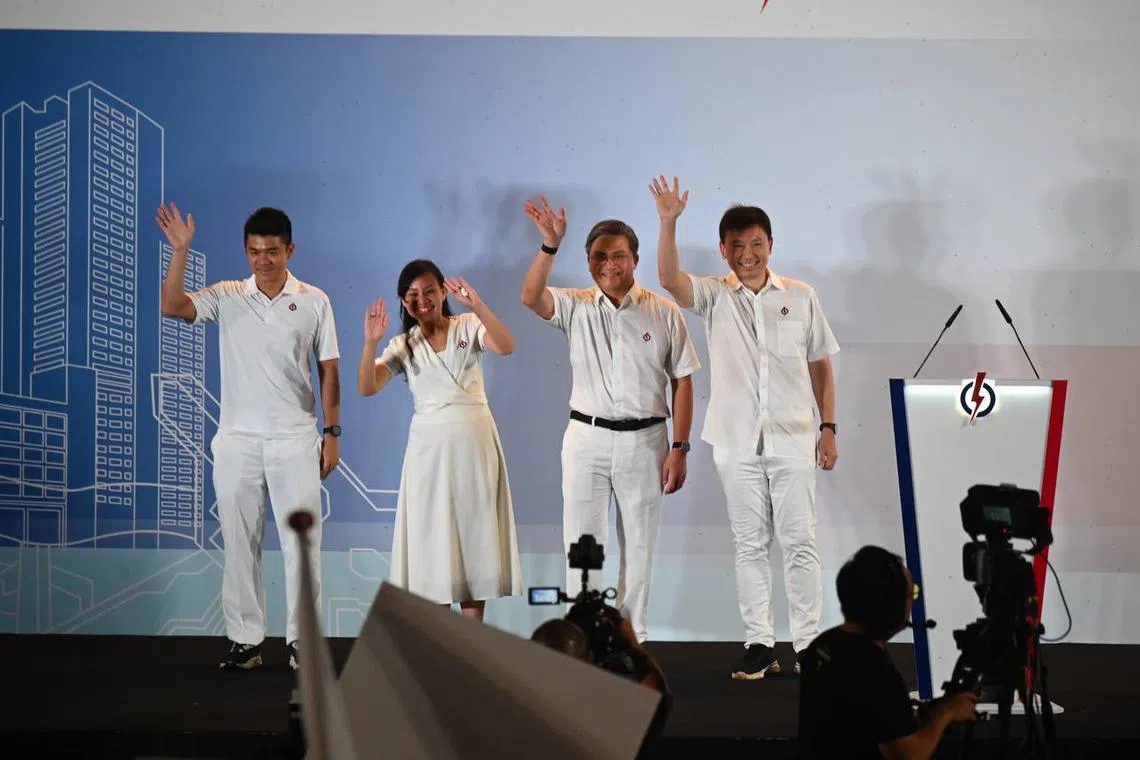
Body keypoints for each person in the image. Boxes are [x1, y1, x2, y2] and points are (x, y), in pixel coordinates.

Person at [651, 176, 839, 679]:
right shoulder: (714, 294)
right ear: (723, 249)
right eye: (738, 246)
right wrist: (668, 222)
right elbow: (670, 279)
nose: (748, 254)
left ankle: (810, 643)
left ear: (771, 245)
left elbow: (820, 364)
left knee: (801, 540)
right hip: (735, 440)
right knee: (749, 543)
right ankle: (760, 643)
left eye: (757, 244)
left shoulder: (799, 296)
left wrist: (829, 427)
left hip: (796, 435)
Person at [157, 203, 341, 672]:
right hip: (237, 440)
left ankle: (304, 643)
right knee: (239, 542)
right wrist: (180, 250)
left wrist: (332, 434)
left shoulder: (315, 300)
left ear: (290, 250)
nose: (263, 260)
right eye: (255, 252)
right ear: (247, 251)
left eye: (272, 252)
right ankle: (245, 641)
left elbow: (329, 371)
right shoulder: (227, 295)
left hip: (295, 439)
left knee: (303, 543)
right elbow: (173, 305)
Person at [519, 196, 702, 644]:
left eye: (618, 255)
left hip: (646, 441)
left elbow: (682, 383)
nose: (609, 264)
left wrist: (679, 449)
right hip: (587, 438)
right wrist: (549, 246)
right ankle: (581, 635)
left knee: (640, 544)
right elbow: (530, 297)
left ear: (635, 259)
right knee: (583, 545)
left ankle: (633, 635)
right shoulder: (576, 304)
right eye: (599, 257)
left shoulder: (663, 311)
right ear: (587, 262)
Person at [358, 260, 522, 620]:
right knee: (434, 542)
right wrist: (370, 343)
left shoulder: (468, 326)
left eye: (429, 291)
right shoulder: (405, 345)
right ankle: (442, 646)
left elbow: (506, 345)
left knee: (475, 536)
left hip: (474, 443)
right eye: (412, 295)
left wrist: (477, 306)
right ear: (403, 302)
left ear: (443, 292)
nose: (422, 300)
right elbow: (367, 386)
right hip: (429, 454)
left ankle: (472, 643)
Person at [797, 546, 978, 759]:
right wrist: (945, 713)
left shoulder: (821, 647)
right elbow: (909, 755)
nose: (912, 603)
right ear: (891, 605)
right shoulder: (872, 670)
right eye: (912, 594)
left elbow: (858, 719)